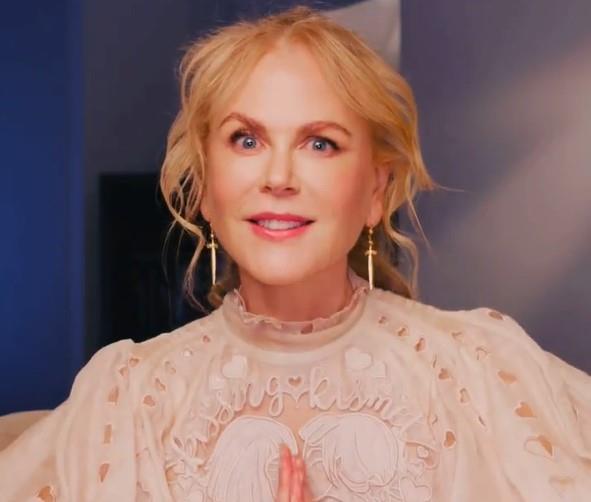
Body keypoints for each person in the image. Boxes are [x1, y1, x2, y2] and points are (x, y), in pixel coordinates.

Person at [1, 5, 590, 501]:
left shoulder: (484, 375)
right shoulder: (126, 401)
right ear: (204, 185)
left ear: (376, 190)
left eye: (320, 143)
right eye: (247, 139)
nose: (278, 176)